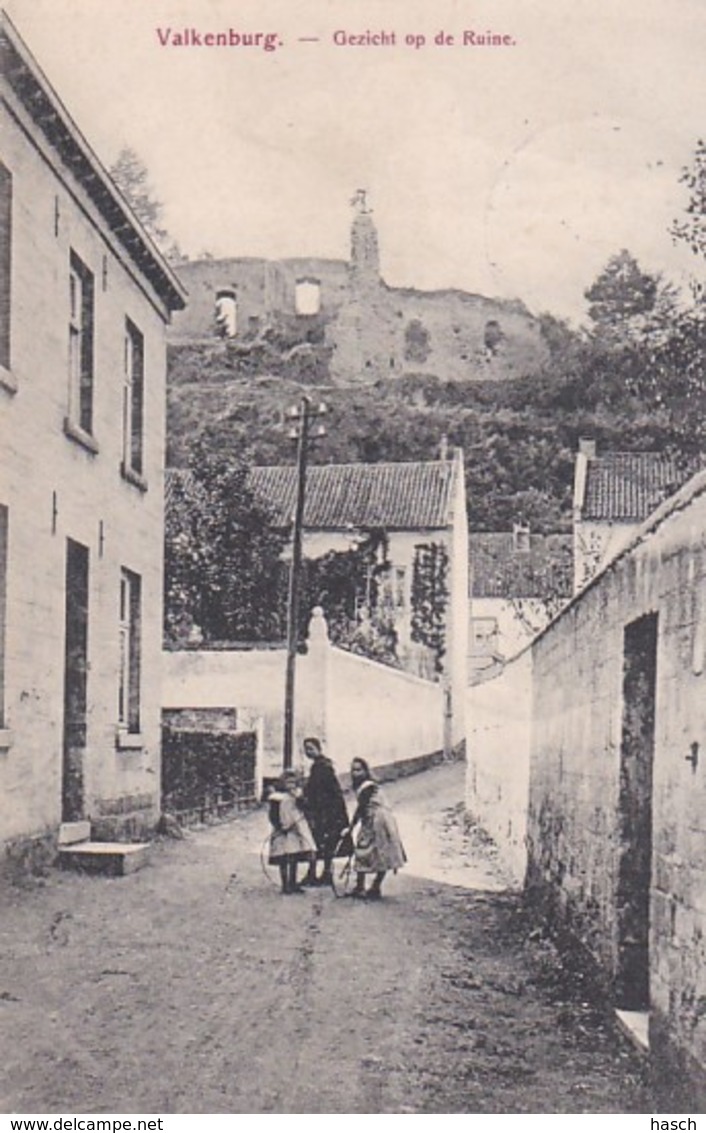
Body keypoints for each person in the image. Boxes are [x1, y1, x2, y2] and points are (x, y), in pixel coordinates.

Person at [347, 757, 406, 900]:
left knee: (366, 849)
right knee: (377, 851)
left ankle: (372, 886)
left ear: (366, 771)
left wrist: (351, 827)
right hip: (378, 818)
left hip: (377, 820)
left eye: (359, 770)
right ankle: (363, 886)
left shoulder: (368, 786)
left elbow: (361, 809)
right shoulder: (365, 786)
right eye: (354, 770)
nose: (356, 773)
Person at [302, 737, 350, 886]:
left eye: (311, 748)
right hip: (324, 810)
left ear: (318, 748)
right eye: (306, 749)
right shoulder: (319, 765)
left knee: (319, 842)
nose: (308, 752)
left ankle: (320, 874)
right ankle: (319, 873)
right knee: (321, 842)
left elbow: (323, 790)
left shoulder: (322, 767)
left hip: (327, 811)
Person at [267, 770, 316, 895]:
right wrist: (279, 826)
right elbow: (272, 815)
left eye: (293, 782)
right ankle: (285, 885)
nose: (291, 785)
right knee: (282, 856)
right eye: (288, 782)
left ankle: (293, 883)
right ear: (282, 783)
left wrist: (299, 798)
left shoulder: (297, 795)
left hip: (295, 828)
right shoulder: (276, 797)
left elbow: (305, 808)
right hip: (282, 829)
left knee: (294, 854)